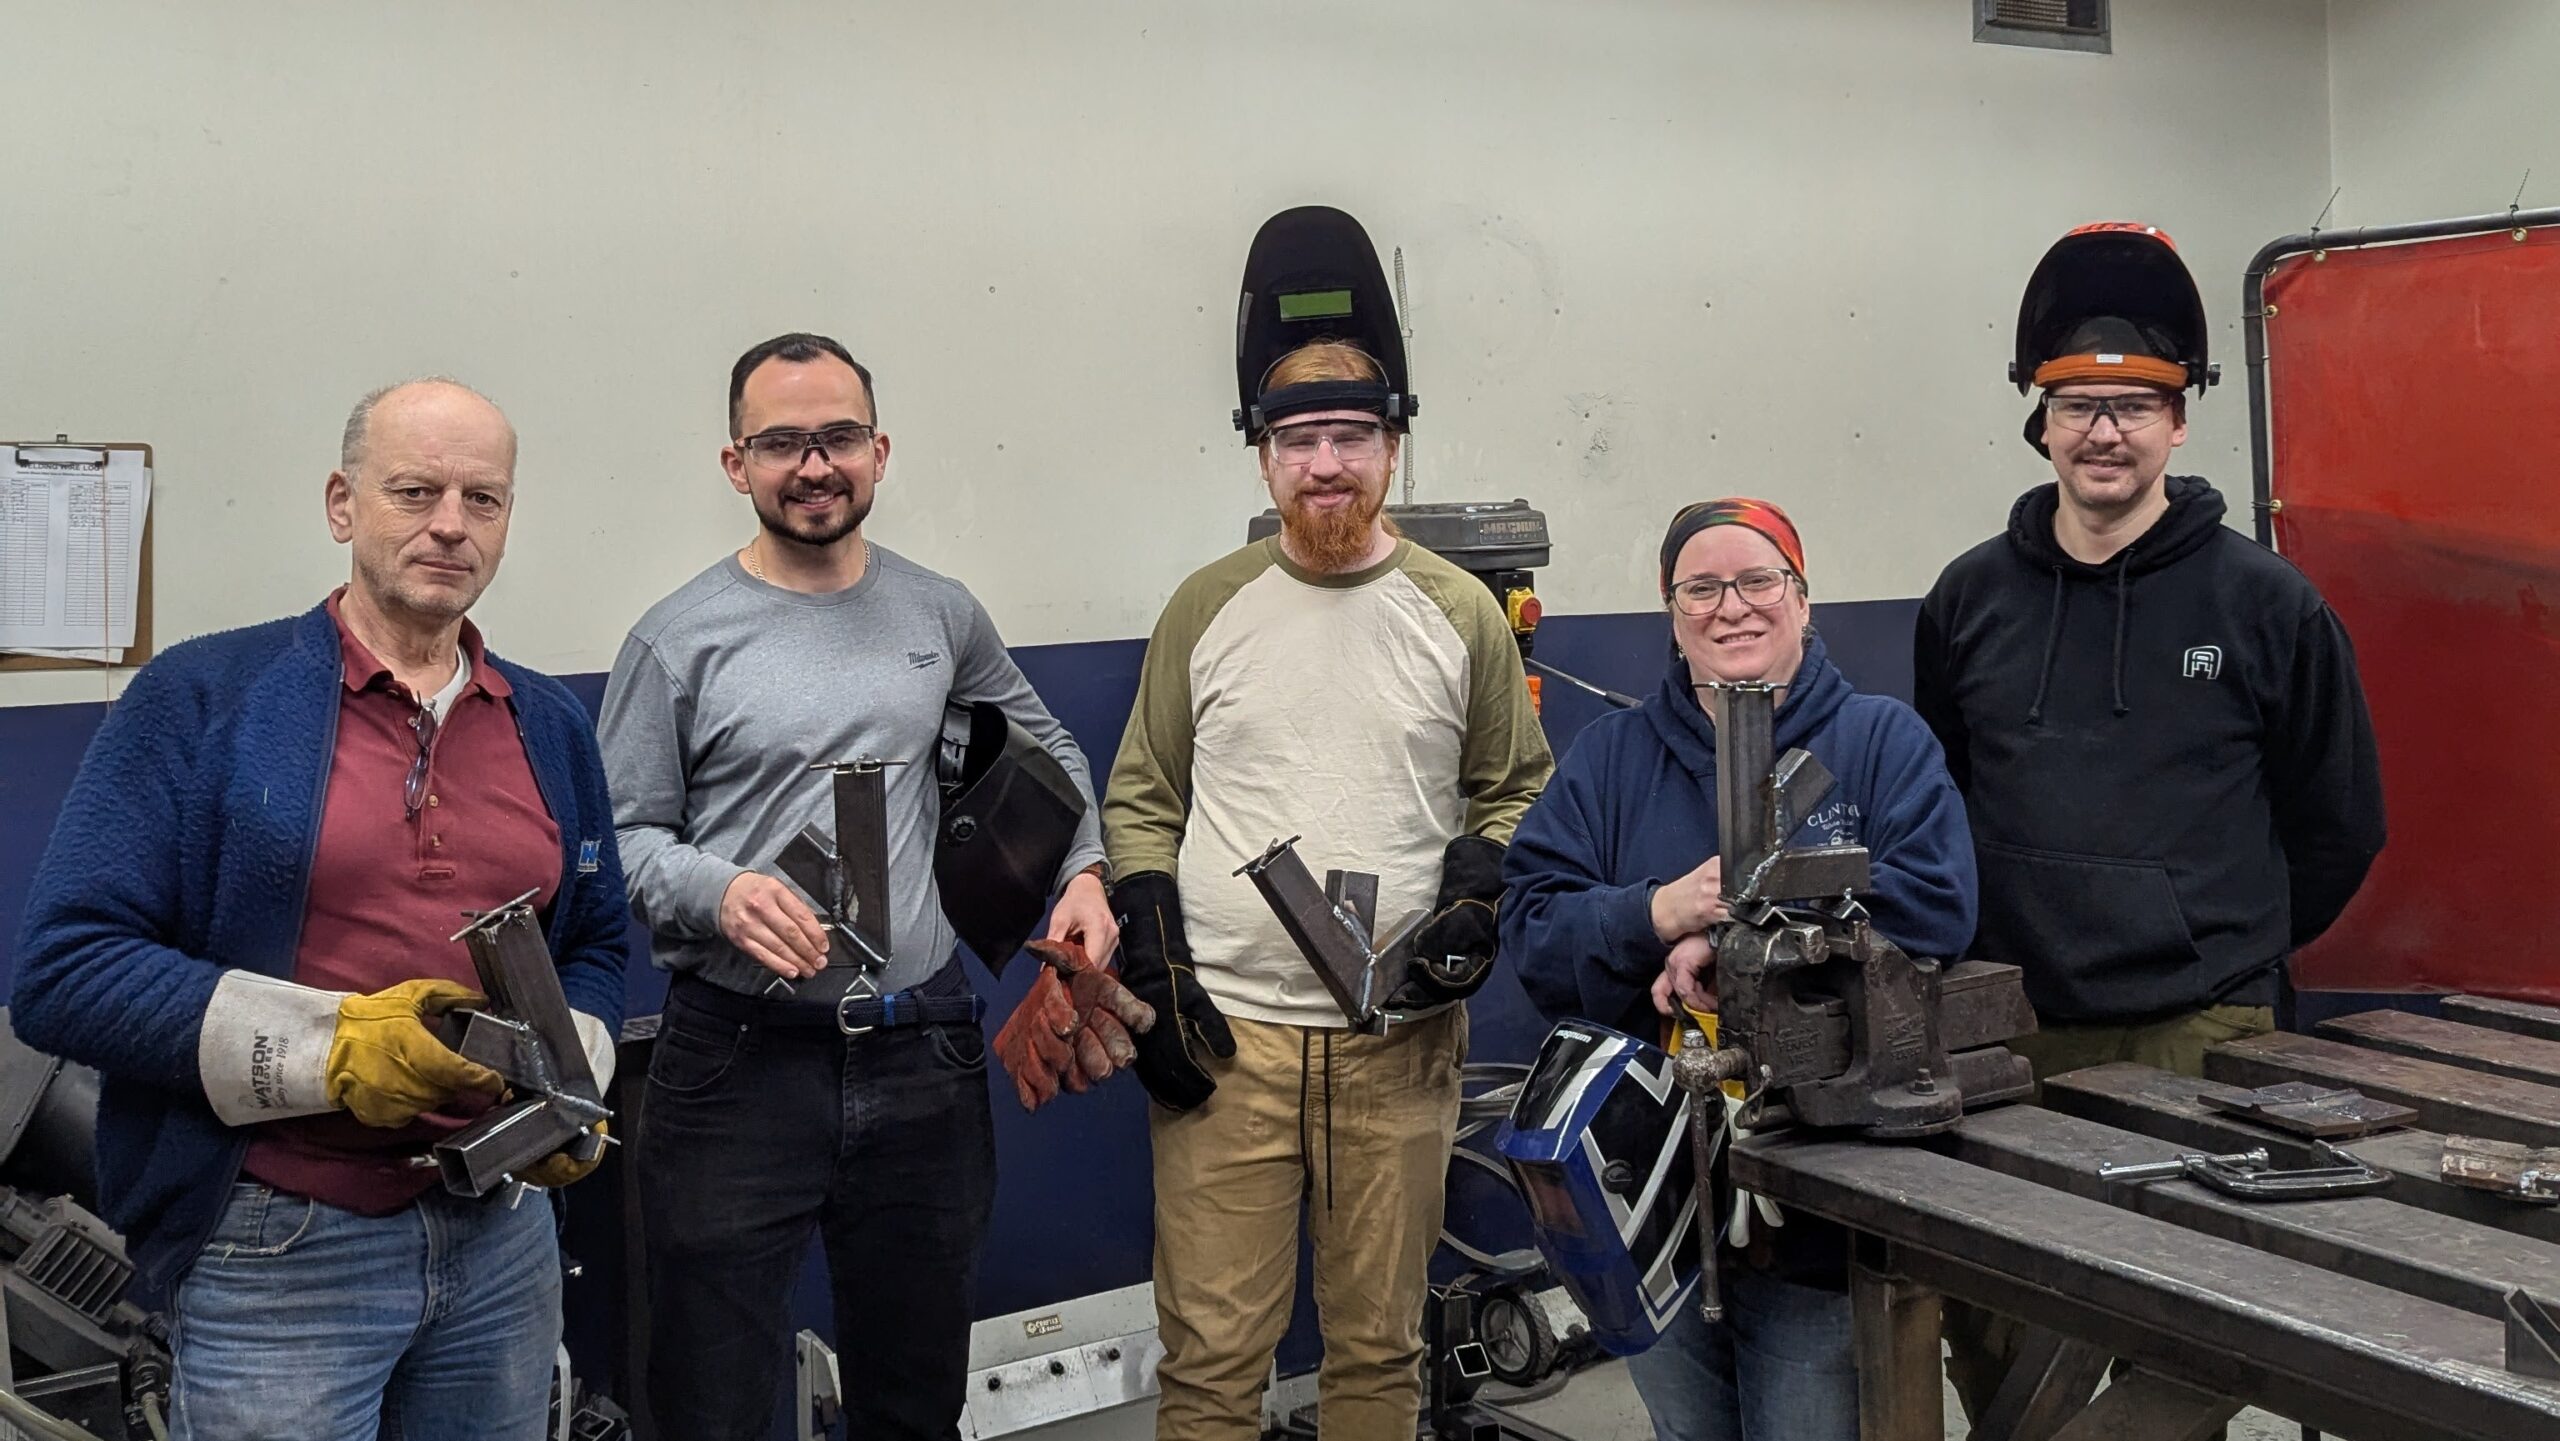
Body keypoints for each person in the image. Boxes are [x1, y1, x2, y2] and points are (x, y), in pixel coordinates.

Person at [11, 378, 629, 1441]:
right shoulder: (202, 697)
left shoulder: (551, 722)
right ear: (343, 505)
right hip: (277, 1242)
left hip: (500, 1243)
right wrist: (331, 1048)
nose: (450, 523)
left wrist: (572, 1072)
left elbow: (599, 941)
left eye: (482, 499)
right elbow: (63, 973)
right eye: (414, 490)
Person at [599, 331, 1120, 1440]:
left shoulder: (940, 613)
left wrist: (1084, 871)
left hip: (919, 1055)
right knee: (710, 1403)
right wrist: (715, 889)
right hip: (736, 1064)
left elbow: (1049, 759)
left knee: (915, 1398)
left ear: (878, 451)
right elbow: (619, 837)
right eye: (780, 442)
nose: (813, 464)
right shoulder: (675, 640)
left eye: (836, 436)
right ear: (735, 465)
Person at [1104, 300, 1553, 1435]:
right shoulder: (1207, 606)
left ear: (1390, 450)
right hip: (1228, 1048)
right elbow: (1144, 793)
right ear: (1264, 455)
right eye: (1299, 443)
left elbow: (1516, 785)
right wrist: (1155, 961)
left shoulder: (1458, 613)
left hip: (1394, 1049)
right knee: (1210, 1365)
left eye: (1350, 438)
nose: (1325, 466)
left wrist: (1474, 895)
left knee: (1376, 1355)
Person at [1501, 497, 1975, 1441]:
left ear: (1805, 600)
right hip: (1657, 1210)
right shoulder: (1610, 760)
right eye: (1701, 589)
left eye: (1759, 581)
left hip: (1827, 1203)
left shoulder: (1881, 744)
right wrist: (1653, 912)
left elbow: (1937, 905)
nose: (1733, 607)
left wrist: (1739, 942)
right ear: (1672, 617)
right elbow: (1533, 923)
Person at [1914, 222, 2385, 1082]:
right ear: (2042, 424)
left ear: (2177, 422)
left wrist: (2226, 946)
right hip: (2013, 1018)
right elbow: (1942, 795)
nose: (2105, 432)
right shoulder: (1967, 599)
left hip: (2208, 1025)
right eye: (2077, 407)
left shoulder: (2269, 603)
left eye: (2133, 405)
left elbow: (2341, 824)